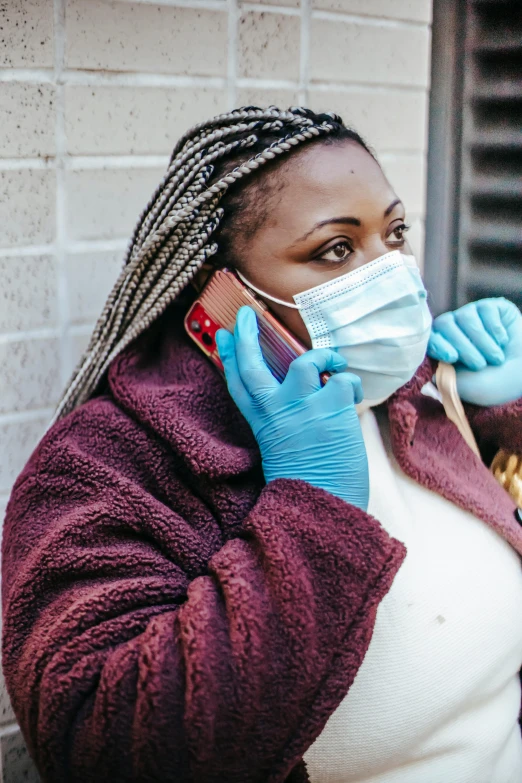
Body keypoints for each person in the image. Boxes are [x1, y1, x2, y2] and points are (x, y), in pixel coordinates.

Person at [2, 106, 522, 783]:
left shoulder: (408, 387)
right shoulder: (105, 464)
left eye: (394, 235)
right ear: (218, 293)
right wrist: (311, 507)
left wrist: (505, 411)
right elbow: (101, 748)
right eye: (336, 249)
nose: (397, 277)